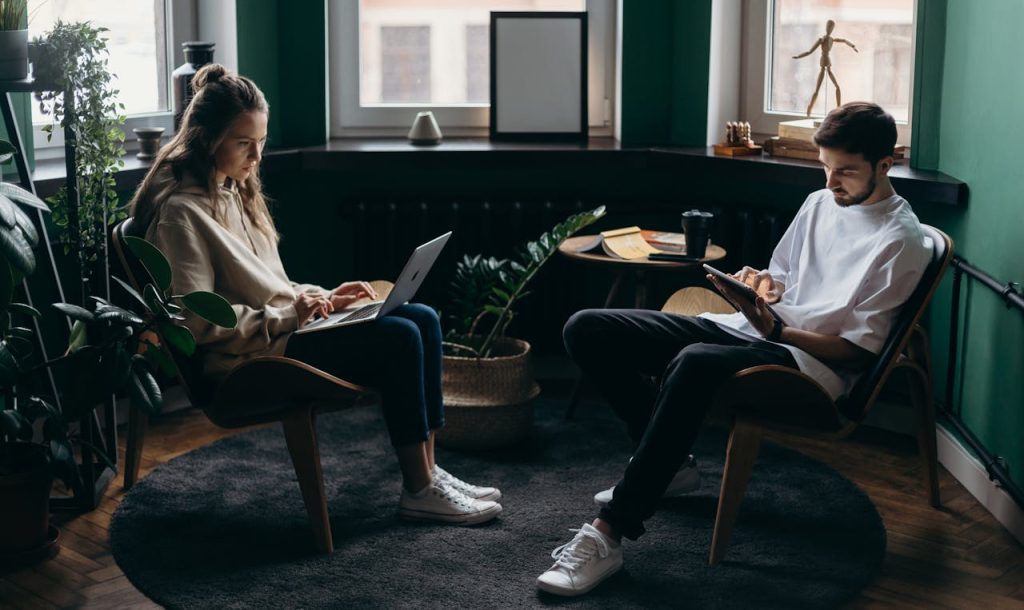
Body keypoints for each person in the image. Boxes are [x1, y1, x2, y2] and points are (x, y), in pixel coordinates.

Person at [536, 101, 931, 596]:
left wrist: (777, 332)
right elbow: (784, 276)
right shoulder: (819, 203)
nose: (831, 184)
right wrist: (758, 286)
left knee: (693, 361)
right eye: (826, 169)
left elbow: (857, 354)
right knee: (586, 328)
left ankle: (609, 533)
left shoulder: (902, 240)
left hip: (807, 364)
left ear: (886, 164)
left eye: (845, 173)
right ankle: (673, 468)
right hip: (756, 330)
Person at [127, 64, 501, 525]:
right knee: (399, 338)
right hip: (253, 361)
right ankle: (418, 489)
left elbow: (272, 287)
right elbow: (197, 325)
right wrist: (290, 315)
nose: (256, 157)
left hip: (284, 335)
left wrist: (325, 297)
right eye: (244, 143)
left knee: (421, 316)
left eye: (261, 142)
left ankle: (429, 471)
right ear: (206, 139)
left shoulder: (234, 192)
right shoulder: (181, 215)